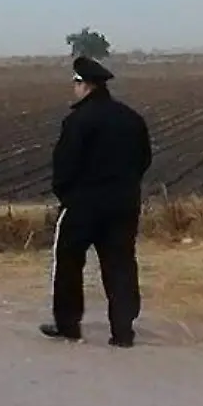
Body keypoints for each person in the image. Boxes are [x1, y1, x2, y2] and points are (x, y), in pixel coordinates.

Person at [40, 56, 153, 348]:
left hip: (83, 205)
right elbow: (144, 160)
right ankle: (123, 330)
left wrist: (66, 196)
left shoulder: (78, 120)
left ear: (85, 85)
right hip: (124, 204)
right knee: (121, 264)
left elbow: (64, 165)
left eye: (76, 83)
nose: (74, 88)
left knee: (68, 263)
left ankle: (68, 325)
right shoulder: (131, 118)